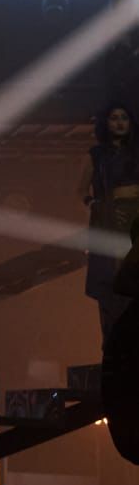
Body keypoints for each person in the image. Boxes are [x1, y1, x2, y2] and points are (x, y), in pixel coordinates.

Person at [80, 103, 139, 346]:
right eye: (114, 117)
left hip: (135, 221)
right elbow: (81, 190)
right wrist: (96, 203)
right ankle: (114, 345)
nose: (120, 122)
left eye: (124, 117)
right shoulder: (96, 155)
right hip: (109, 222)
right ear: (106, 122)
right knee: (112, 286)